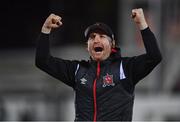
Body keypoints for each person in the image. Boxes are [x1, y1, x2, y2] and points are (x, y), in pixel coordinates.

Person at [35, 8, 162, 121]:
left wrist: (142, 24)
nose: (96, 40)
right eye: (92, 37)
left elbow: (154, 57)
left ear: (112, 44)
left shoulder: (125, 68)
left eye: (102, 36)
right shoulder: (77, 70)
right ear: (87, 46)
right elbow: (42, 61)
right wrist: (45, 29)